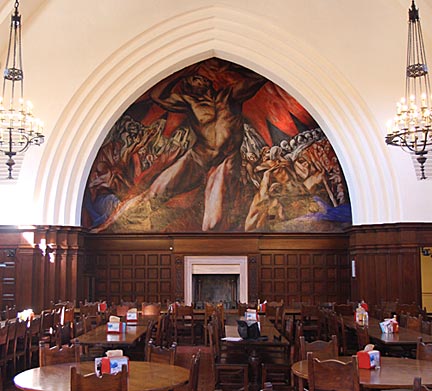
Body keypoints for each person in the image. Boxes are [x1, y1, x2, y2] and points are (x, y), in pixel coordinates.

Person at [94, 59, 267, 232]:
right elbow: (157, 96)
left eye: (198, 78)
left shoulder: (229, 97)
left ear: (208, 83)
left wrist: (234, 65)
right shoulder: (190, 102)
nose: (196, 80)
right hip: (198, 157)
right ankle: (108, 226)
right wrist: (181, 69)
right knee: (153, 193)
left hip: (226, 160)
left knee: (213, 223)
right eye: (191, 79)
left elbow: (258, 77)